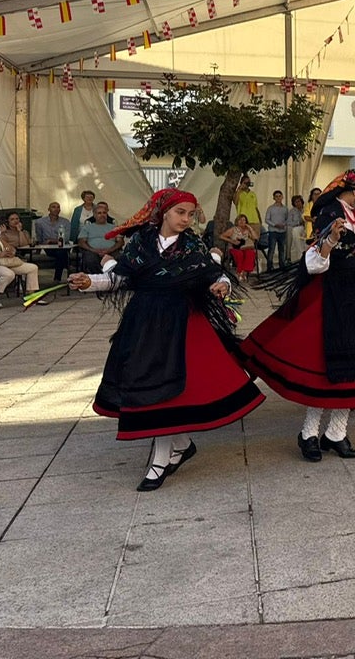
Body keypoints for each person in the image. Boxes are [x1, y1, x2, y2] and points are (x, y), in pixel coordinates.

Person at [67, 189, 264, 491]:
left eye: (190, 213)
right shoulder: (140, 243)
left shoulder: (192, 245)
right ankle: (182, 444)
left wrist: (222, 286)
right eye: (180, 212)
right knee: (152, 385)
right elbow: (120, 278)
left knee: (168, 391)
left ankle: (160, 461)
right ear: (163, 213)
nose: (186, 219)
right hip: (144, 321)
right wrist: (89, 282)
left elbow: (216, 274)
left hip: (181, 322)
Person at [242, 169, 355, 461]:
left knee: (352, 369)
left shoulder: (353, 215)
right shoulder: (331, 214)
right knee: (328, 372)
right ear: (354, 191)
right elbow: (315, 264)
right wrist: (328, 243)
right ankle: (308, 434)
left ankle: (336, 434)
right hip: (332, 301)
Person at [0, 211, 43, 307]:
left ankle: (31, 296)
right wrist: (0, 255)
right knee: (9, 274)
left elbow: (9, 247)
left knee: (32, 268)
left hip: (5, 262)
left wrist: (11, 251)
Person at [77, 201, 123, 273]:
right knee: (90, 259)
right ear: (94, 215)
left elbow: (120, 241)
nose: (102, 215)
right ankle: (99, 277)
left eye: (104, 213)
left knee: (120, 258)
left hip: (111, 251)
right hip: (93, 251)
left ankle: (112, 279)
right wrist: (93, 250)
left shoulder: (114, 227)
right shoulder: (88, 227)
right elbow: (81, 242)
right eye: (99, 213)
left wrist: (110, 250)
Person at [34, 201, 72, 283]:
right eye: (53, 207)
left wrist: (51, 240)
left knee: (61, 253)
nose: (56, 209)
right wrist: (39, 249)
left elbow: (67, 238)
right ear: (48, 209)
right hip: (49, 247)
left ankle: (57, 278)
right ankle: (69, 270)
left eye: (58, 207)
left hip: (63, 246)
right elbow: (40, 238)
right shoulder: (40, 222)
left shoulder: (65, 222)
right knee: (62, 255)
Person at [220, 214, 258, 281]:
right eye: (240, 220)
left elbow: (256, 238)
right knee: (240, 254)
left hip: (244, 247)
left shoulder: (247, 230)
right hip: (235, 247)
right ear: (237, 221)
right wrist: (232, 241)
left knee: (250, 253)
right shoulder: (233, 229)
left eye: (244, 220)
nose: (242, 221)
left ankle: (244, 272)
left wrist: (250, 228)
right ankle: (240, 272)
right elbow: (221, 236)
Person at [263, 190, 290, 269]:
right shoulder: (270, 208)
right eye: (276, 196)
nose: (278, 198)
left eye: (279, 196)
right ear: (274, 198)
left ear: (282, 197)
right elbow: (266, 219)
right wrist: (275, 225)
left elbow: (288, 219)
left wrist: (283, 225)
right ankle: (269, 266)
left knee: (282, 249)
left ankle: (282, 265)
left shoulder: (285, 209)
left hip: (282, 232)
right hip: (273, 232)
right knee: (271, 250)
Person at [287, 194, 307, 263]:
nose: (298, 203)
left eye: (299, 201)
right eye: (296, 202)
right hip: (296, 229)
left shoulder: (306, 209)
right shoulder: (292, 211)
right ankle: (296, 258)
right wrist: (299, 223)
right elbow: (289, 222)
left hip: (306, 229)